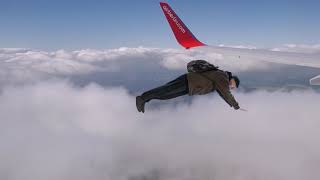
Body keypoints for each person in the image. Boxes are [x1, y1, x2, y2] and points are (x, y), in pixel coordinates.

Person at [136, 60, 240, 113]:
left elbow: (222, 93)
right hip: (188, 81)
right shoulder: (223, 76)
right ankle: (142, 98)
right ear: (233, 79)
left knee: (166, 96)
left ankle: (145, 99)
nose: (231, 87)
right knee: (165, 91)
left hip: (190, 87)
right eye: (233, 85)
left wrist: (231, 105)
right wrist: (235, 105)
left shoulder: (221, 78)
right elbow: (225, 92)